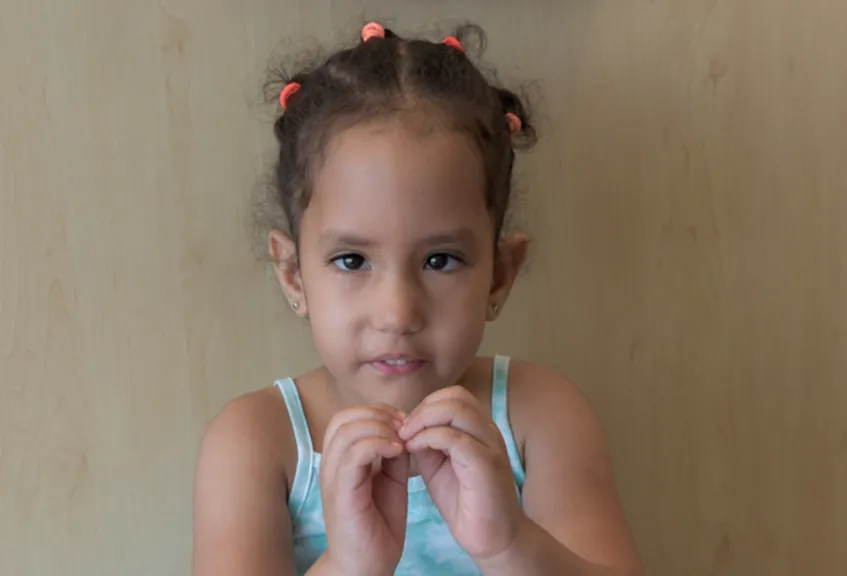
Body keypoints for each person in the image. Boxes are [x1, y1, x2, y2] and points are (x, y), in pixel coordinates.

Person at [191, 21, 643, 576]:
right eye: (352, 260)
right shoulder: (258, 442)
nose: (398, 314)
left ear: (499, 276)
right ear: (294, 276)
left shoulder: (539, 417)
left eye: (440, 260)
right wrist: (348, 565)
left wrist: (507, 544)